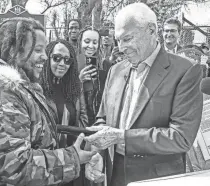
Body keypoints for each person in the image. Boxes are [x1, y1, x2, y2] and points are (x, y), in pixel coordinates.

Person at [0, 17, 98, 186]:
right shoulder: (0, 93)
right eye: (38, 50)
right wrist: (72, 158)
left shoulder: (20, 87)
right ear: (14, 50)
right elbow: (12, 165)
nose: (45, 57)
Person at [84, 3, 203, 186]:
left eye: (128, 38)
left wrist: (123, 137)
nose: (122, 47)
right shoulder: (115, 71)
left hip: (155, 179)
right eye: (118, 40)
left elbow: (181, 137)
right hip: (113, 175)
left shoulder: (185, 71)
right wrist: (98, 153)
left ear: (151, 31)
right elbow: (103, 120)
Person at [40, 39, 88, 186]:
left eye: (67, 60)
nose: (62, 64)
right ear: (47, 58)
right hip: (46, 164)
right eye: (56, 58)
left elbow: (83, 120)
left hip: (72, 163)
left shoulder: (75, 88)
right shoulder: (37, 89)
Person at [77, 27, 110, 126]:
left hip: (99, 121)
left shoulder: (105, 65)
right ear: (80, 42)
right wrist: (79, 81)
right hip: (79, 121)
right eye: (87, 41)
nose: (91, 46)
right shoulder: (71, 63)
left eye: (95, 42)